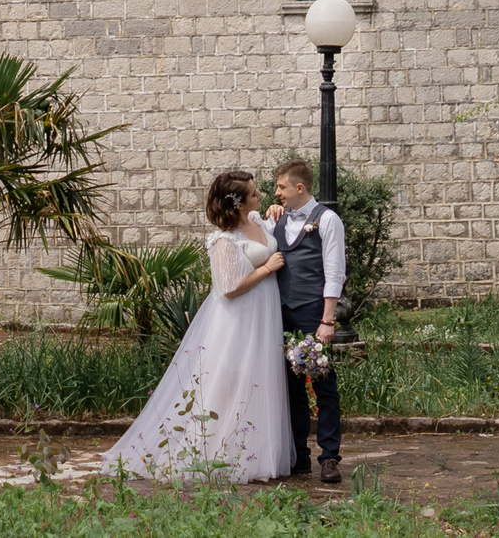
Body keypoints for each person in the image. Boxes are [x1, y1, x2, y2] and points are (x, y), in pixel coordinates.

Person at [100, 169, 292, 483]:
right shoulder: (223, 240)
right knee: (227, 381)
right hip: (238, 318)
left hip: (263, 313)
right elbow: (228, 287)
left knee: (258, 378)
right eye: (255, 194)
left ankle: (252, 449)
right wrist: (268, 268)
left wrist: (275, 211)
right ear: (237, 203)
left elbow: (272, 225)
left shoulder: (257, 219)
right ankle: (210, 450)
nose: (260, 196)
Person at [267, 158, 345, 482]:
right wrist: (268, 213)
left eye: (281, 187)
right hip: (280, 314)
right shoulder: (276, 220)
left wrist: (328, 320)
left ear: (300, 188)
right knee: (291, 388)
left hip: (313, 312)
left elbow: (335, 271)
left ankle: (329, 457)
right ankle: (300, 456)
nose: (277, 193)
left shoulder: (327, 220)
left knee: (324, 386)